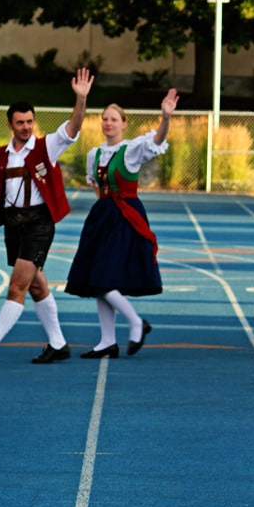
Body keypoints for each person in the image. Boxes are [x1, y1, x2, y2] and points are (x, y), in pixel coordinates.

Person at [0, 67, 95, 364]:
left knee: (17, 285)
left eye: (29, 122)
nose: (25, 127)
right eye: (20, 123)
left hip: (39, 224)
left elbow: (72, 127)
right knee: (36, 285)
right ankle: (58, 344)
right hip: (13, 225)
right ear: (10, 124)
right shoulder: (0, 155)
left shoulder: (47, 147)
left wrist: (80, 99)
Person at [64, 91, 178, 356]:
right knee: (98, 279)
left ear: (124, 123)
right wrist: (103, 208)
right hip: (102, 216)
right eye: (105, 119)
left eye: (114, 119)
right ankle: (107, 341)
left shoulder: (132, 149)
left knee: (103, 277)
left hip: (125, 216)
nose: (108, 123)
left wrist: (166, 117)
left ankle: (136, 322)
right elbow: (97, 186)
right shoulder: (95, 154)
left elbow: (158, 139)